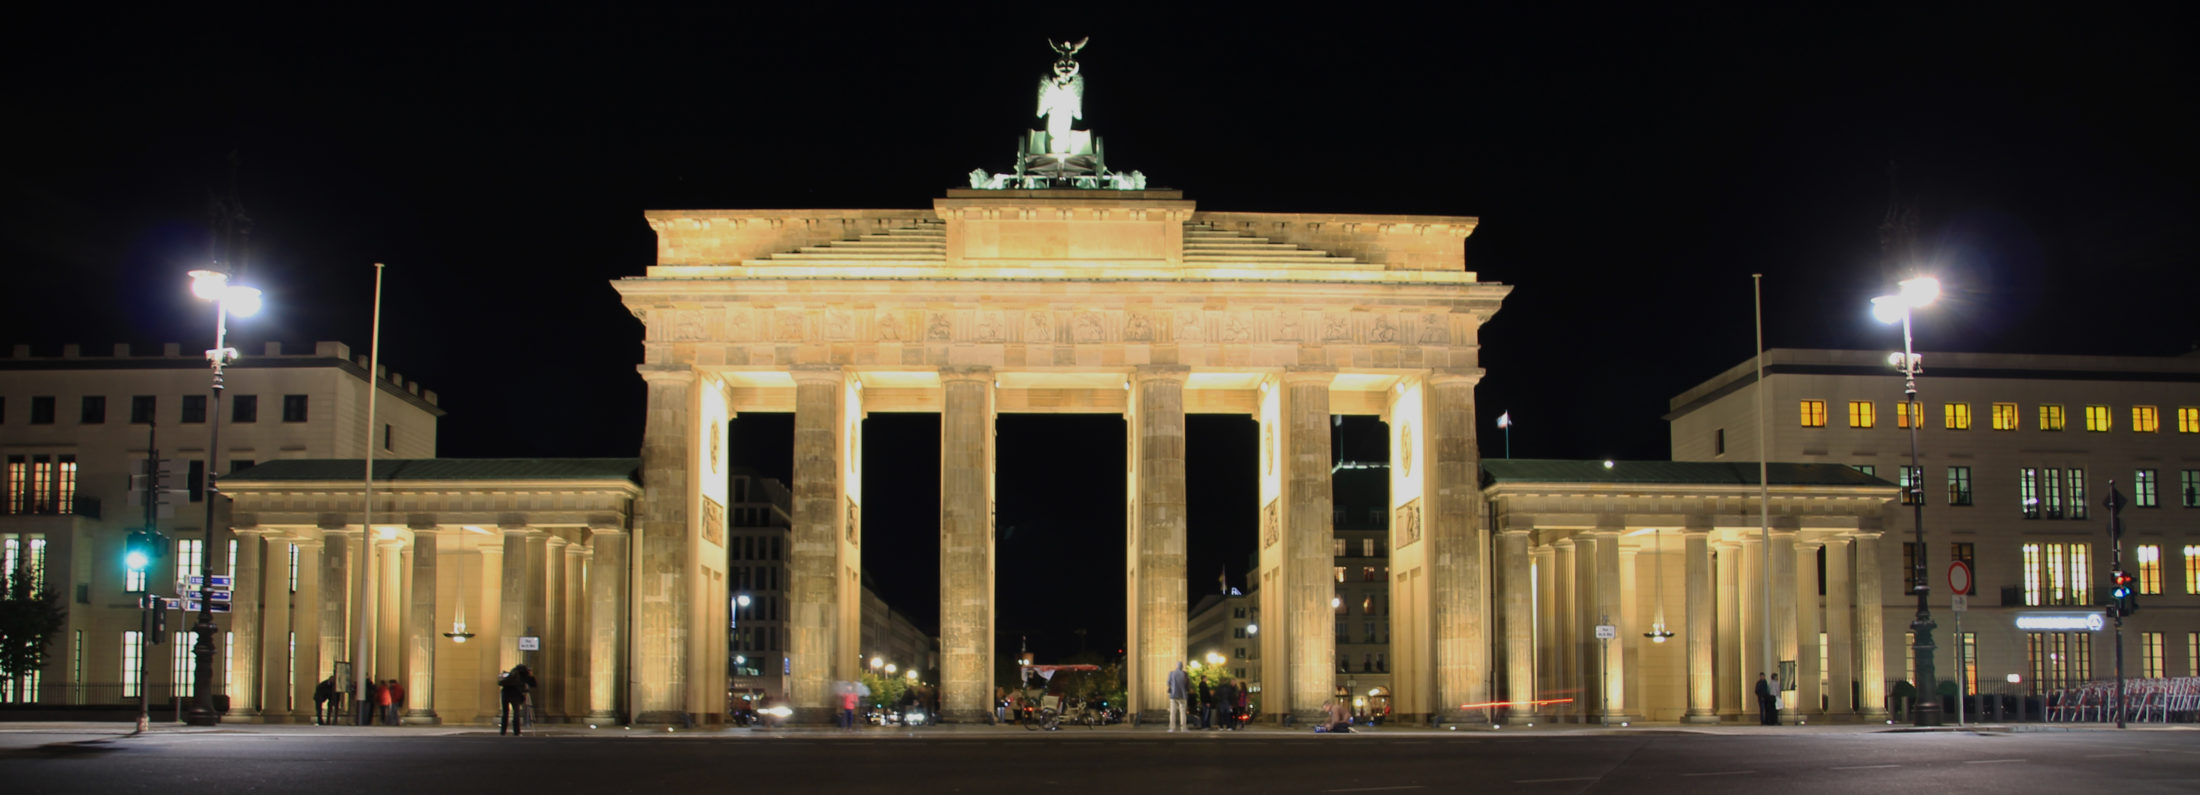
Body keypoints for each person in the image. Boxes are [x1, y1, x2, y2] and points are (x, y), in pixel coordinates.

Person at [499, 664, 536, 736]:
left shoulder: (512, 674)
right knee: (516, 713)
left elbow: (500, 682)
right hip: (515, 695)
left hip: (505, 693)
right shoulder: (524, 674)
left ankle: (503, 731)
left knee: (505, 713)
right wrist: (531, 676)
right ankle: (516, 731)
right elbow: (533, 684)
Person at [1166, 662, 1190, 732]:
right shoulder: (1185, 674)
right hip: (1183, 695)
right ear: (1182, 667)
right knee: (1183, 712)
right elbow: (1188, 684)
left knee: (1172, 712)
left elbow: (1168, 683)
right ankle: (1183, 728)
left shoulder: (1171, 673)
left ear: (1176, 666)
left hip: (1173, 695)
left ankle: (1172, 728)